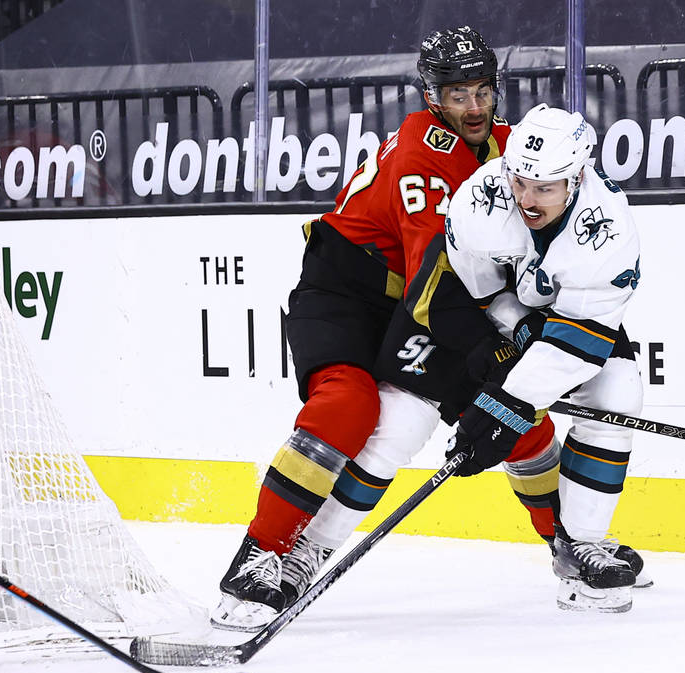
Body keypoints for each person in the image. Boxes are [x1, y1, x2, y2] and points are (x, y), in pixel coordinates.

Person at [213, 26, 511, 630]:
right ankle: (260, 558)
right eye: (458, 95)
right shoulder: (423, 155)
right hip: (346, 291)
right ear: (433, 96)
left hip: (419, 299)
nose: (474, 108)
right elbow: (438, 284)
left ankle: (575, 545)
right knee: (348, 406)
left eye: (482, 91)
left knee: (522, 423)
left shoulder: (510, 149)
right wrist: (496, 356)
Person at [298, 105, 646, 614]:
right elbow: (466, 289)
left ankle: (582, 549)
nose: (527, 198)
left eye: (545, 188)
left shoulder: (609, 233)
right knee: (397, 426)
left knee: (617, 391)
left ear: (578, 177)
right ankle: (306, 552)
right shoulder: (483, 198)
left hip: (556, 321)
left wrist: (505, 408)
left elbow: (578, 342)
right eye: (520, 180)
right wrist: (512, 327)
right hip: (453, 307)